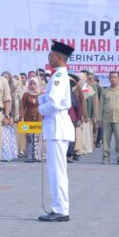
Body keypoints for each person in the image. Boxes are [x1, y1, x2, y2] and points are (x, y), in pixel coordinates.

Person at [38, 40, 76, 223]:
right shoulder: (57, 76)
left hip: (57, 127)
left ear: (60, 57)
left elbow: (53, 104)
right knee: (56, 170)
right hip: (56, 127)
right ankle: (59, 207)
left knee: (57, 171)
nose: (49, 57)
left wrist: (40, 108)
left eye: (51, 55)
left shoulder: (60, 77)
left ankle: (60, 209)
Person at [98, 71, 119, 165]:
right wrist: (99, 119)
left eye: (115, 77)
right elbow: (100, 105)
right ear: (109, 79)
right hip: (106, 118)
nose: (113, 79)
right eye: (111, 77)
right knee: (105, 140)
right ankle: (105, 158)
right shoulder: (105, 91)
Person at [20, 77, 43, 162]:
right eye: (31, 84)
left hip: (38, 117)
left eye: (34, 84)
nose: (32, 86)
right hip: (28, 117)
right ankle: (29, 156)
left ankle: (37, 156)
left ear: (37, 85)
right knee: (29, 138)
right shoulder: (26, 94)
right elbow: (22, 106)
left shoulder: (41, 94)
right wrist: (21, 117)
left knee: (37, 137)